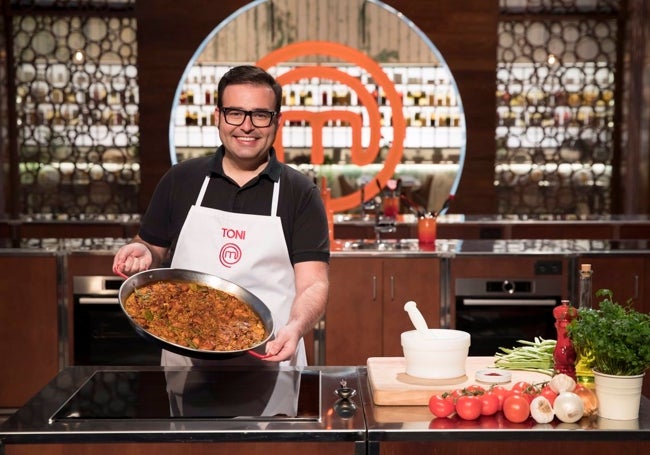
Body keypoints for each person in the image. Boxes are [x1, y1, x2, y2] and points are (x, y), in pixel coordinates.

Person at [113, 65, 330, 367]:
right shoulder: (180, 179)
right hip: (186, 363)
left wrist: (296, 327)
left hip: (270, 361)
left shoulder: (300, 192)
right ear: (218, 117)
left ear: (276, 121)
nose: (247, 126)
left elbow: (313, 284)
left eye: (260, 114)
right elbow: (152, 248)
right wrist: (141, 251)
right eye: (235, 113)